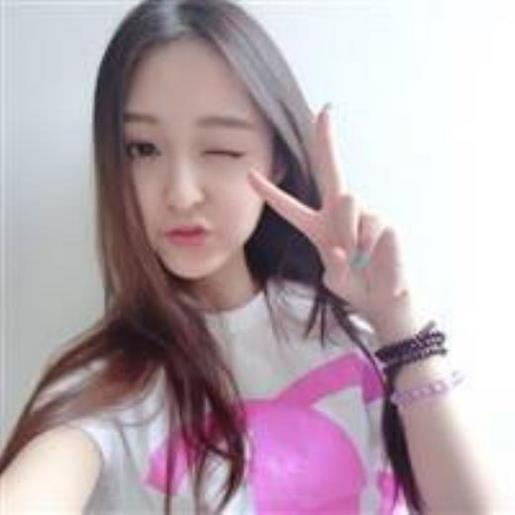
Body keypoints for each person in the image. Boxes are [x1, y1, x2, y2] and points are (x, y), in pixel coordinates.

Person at [0, 1, 498, 514]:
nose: (181, 194)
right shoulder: (106, 389)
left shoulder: (358, 338)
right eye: (142, 149)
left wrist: (399, 323)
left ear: (277, 158)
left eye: (221, 149)